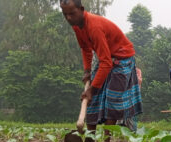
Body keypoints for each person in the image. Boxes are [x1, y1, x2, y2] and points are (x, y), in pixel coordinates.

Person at [60, 0, 142, 132]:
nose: (69, 18)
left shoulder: (94, 27)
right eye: (65, 14)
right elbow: (85, 48)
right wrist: (87, 71)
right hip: (107, 58)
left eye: (72, 13)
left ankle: (106, 139)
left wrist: (91, 89)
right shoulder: (76, 26)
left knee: (112, 98)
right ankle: (90, 135)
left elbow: (106, 63)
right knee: (93, 99)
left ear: (81, 9)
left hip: (122, 58)